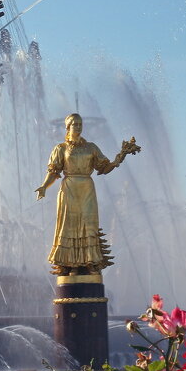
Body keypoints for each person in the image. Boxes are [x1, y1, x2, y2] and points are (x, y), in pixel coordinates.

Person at [35, 113, 140, 276]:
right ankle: (72, 265)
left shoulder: (91, 147)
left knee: (88, 223)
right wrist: (43, 186)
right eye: (74, 124)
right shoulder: (60, 148)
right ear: (68, 127)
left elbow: (103, 168)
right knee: (69, 226)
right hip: (69, 187)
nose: (78, 127)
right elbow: (53, 171)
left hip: (86, 187)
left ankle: (90, 262)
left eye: (80, 124)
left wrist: (118, 159)